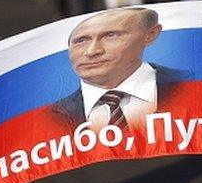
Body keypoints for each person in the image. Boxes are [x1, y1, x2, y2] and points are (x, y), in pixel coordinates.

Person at [50, 7, 187, 130]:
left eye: (111, 35)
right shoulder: (48, 117)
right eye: (81, 41)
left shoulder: (195, 86)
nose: (92, 51)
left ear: (150, 35)